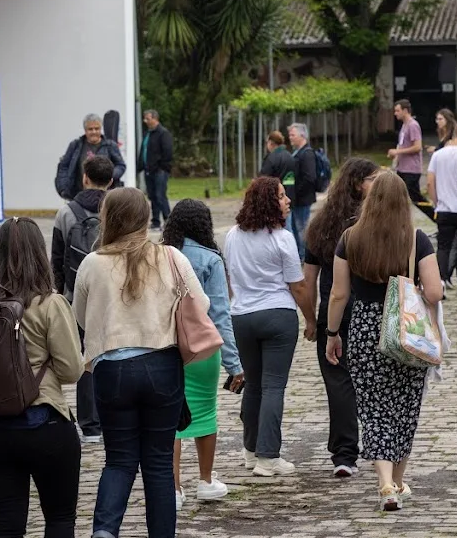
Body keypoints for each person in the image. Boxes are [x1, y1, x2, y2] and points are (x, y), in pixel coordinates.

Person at [73, 187, 200, 538]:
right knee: (159, 463)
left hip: (112, 371)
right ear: (146, 218)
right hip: (161, 365)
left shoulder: (92, 264)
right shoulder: (170, 257)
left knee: (119, 460)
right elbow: (200, 305)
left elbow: (81, 315)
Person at [0, 218, 86, 538]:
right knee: (59, 517)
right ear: (39, 255)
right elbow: (72, 369)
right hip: (45, 423)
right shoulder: (49, 303)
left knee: (7, 527)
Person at [325, 172, 444, 512]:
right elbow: (435, 291)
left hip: (364, 330)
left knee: (374, 409)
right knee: (405, 407)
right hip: (405, 331)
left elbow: (338, 293)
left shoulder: (350, 238)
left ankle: (387, 484)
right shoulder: (416, 239)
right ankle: (397, 479)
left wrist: (333, 335)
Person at [225, 177, 315, 476]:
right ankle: (268, 456)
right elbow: (298, 286)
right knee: (273, 386)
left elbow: (231, 278)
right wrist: (311, 319)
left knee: (253, 385)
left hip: (242, 315)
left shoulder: (233, 235)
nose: (287, 200)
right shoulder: (281, 237)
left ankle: (250, 450)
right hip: (277, 314)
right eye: (281, 196)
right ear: (268, 202)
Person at [302, 157, 381, 478]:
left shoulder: (324, 225)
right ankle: (379, 448)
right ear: (358, 183)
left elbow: (309, 281)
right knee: (368, 383)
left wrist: (310, 319)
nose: (379, 183)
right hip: (367, 312)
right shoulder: (374, 225)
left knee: (339, 385)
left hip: (334, 314)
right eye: (374, 178)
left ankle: (344, 453)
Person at [161, 200, 242, 507]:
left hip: (167, 347)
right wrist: (235, 365)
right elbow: (220, 312)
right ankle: (206, 481)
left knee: (171, 419)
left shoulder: (161, 256)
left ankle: (174, 488)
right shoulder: (210, 259)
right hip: (203, 348)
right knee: (205, 414)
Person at [51, 154, 114, 444]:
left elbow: (58, 258)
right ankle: (111, 415)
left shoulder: (66, 212)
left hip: (76, 295)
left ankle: (89, 425)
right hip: (111, 295)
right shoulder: (116, 209)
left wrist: (59, 293)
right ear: (111, 180)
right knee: (111, 353)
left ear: (85, 177)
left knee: (85, 356)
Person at [428, 123, 457, 297]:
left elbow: (430, 181)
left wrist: (436, 202)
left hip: (444, 207)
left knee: (443, 247)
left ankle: (440, 281)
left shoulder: (438, 155)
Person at [55, 114, 126, 199]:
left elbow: (121, 165)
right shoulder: (75, 145)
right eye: (90, 129)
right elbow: (63, 167)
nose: (94, 132)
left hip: (105, 196)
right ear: (85, 130)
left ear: (101, 129)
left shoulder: (110, 145)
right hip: (78, 195)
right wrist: (63, 188)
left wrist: (108, 175)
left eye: (97, 128)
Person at [389, 100, 433, 221]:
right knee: (400, 197)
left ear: (405, 110)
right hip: (401, 168)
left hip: (411, 169)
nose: (395, 113)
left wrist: (397, 152)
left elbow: (417, 147)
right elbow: (403, 145)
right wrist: (395, 155)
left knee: (416, 198)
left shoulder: (413, 125)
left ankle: (436, 217)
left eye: (397, 110)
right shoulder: (404, 125)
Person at [285, 123, 319, 256]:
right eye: (289, 135)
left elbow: (310, 177)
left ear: (302, 135)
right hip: (297, 199)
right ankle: (300, 254)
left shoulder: (307, 153)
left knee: (301, 229)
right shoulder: (298, 152)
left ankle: (304, 256)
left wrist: (296, 192)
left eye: (293, 135)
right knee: (296, 227)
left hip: (303, 199)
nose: (290, 138)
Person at [141, 109, 174, 230]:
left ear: (155, 119)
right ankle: (155, 221)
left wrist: (161, 167)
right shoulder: (148, 133)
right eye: (145, 118)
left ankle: (168, 221)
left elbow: (168, 152)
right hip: (148, 170)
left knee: (160, 195)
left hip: (159, 170)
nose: (145, 121)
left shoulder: (163, 133)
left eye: (148, 118)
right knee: (152, 196)